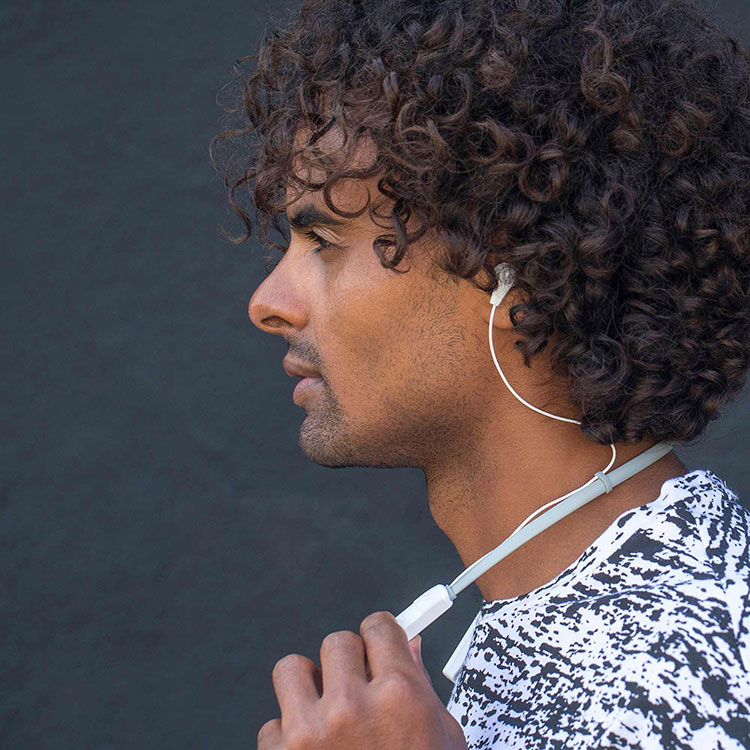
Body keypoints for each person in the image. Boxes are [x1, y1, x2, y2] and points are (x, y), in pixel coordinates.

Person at [210, 0, 750, 746]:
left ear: (515, 277)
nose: (266, 303)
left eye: (324, 241)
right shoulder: (596, 604)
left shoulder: (684, 675)